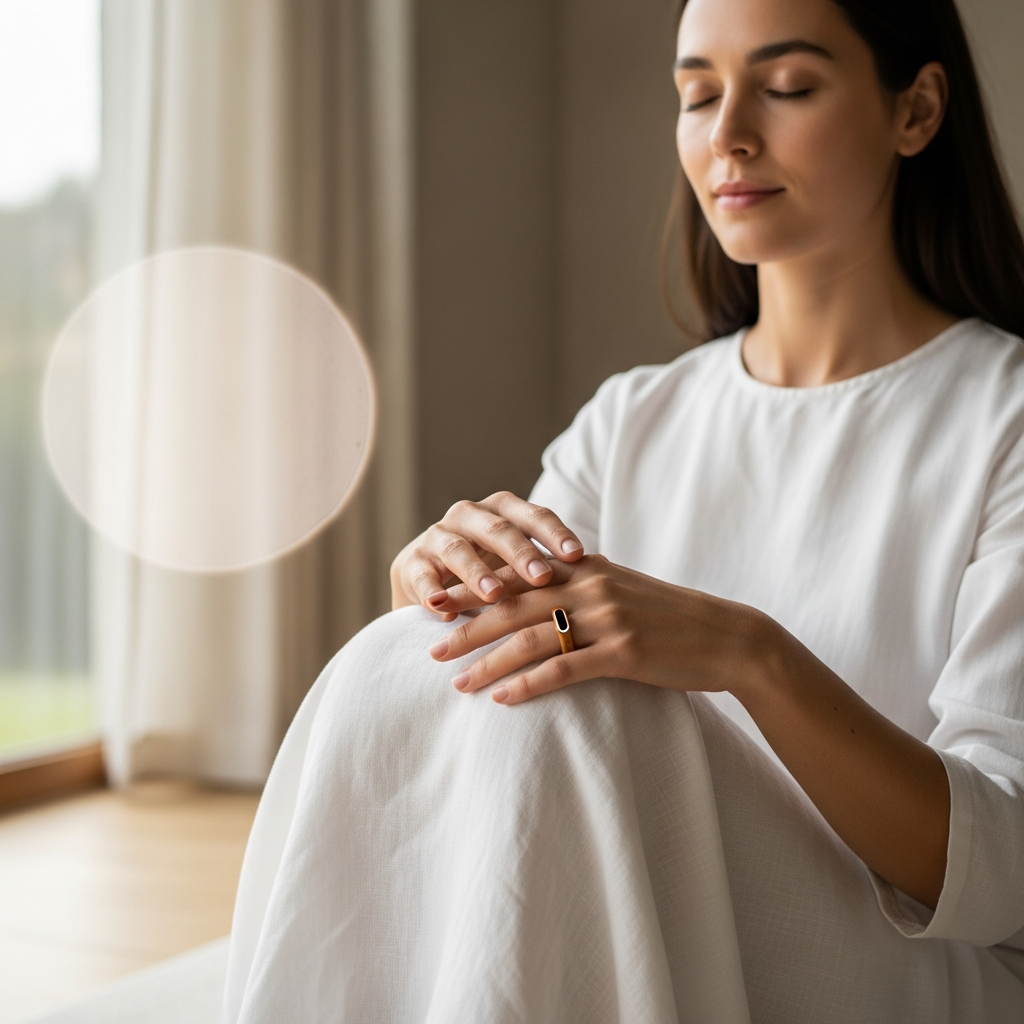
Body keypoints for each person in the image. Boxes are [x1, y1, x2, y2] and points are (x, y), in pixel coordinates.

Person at [223, 0, 1024, 1020]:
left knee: (583, 699)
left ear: (915, 111)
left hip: (903, 963)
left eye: (785, 87)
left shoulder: (1003, 421)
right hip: (650, 909)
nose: (727, 132)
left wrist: (747, 657)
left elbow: (1000, 871)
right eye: (696, 94)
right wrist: (442, 604)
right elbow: (522, 664)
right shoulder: (633, 417)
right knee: (400, 660)